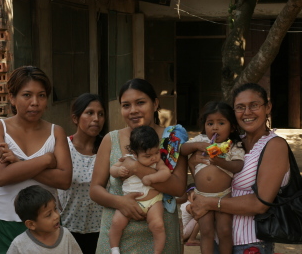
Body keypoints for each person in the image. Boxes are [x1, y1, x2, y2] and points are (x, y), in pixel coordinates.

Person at [90, 78, 189, 254]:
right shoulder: (111, 139)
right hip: (118, 237)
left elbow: (179, 188)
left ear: (155, 104)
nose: (133, 110)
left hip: (160, 234)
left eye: (140, 103)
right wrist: (120, 202)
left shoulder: (172, 139)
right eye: (126, 105)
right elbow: (95, 189)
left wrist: (136, 168)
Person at [190, 83, 291, 254]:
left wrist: (208, 202)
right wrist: (194, 168)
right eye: (240, 107)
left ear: (268, 107)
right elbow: (205, 177)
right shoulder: (231, 143)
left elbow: (260, 204)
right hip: (216, 240)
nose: (247, 112)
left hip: (251, 244)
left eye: (254, 105)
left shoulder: (275, 146)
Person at [0, 66, 72, 254]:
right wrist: (47, 160)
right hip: (4, 222)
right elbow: (1, 176)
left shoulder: (56, 132)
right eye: (27, 95)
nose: (35, 102)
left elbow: (64, 180)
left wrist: (17, 162)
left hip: (47, 225)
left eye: (41, 95)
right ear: (12, 98)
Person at [181, 101, 244, 254]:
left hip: (224, 195)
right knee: (206, 232)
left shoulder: (234, 145)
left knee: (224, 231)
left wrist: (219, 161)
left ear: (232, 126)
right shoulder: (201, 140)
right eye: (210, 123)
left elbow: (238, 166)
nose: (215, 127)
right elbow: (182, 149)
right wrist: (197, 146)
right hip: (202, 196)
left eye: (221, 123)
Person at [109, 125, 172, 254]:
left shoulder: (157, 162)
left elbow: (166, 173)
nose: (153, 158)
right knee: (116, 222)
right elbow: (112, 170)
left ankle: (157, 252)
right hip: (129, 202)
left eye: (156, 152)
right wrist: (118, 170)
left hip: (153, 202)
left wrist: (152, 178)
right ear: (134, 153)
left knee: (158, 225)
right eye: (147, 156)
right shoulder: (127, 159)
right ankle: (114, 249)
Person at [58, 93, 105, 253]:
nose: (96, 119)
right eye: (89, 113)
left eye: (100, 114)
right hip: (67, 228)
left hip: (101, 230)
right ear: (75, 118)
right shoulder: (62, 147)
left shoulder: (107, 149)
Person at [7, 185, 82, 254]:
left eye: (55, 209)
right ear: (31, 224)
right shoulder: (19, 245)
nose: (56, 216)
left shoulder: (66, 235)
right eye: (49, 215)